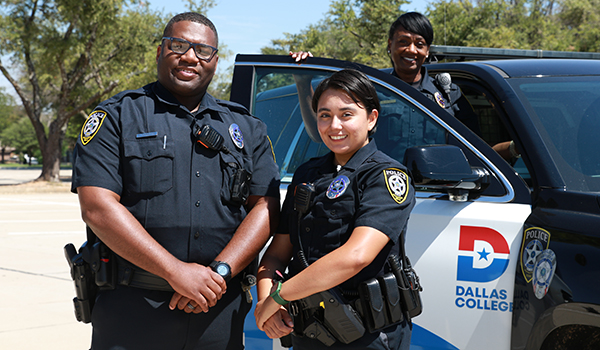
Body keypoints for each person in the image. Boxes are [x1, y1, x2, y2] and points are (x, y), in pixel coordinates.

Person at [70, 12, 280, 350]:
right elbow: (97, 207)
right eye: (178, 45)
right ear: (159, 51)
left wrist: (219, 274)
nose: (190, 56)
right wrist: (174, 271)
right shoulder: (117, 117)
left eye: (203, 50)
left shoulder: (247, 128)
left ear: (215, 60)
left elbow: (266, 206)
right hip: (133, 310)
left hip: (218, 310)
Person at [254, 69, 416, 349]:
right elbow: (278, 254)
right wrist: (266, 304)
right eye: (324, 115)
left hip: (366, 335)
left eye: (346, 114)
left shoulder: (386, 175)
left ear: (372, 119)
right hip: (310, 331)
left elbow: (355, 256)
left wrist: (279, 298)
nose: (334, 125)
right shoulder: (308, 173)